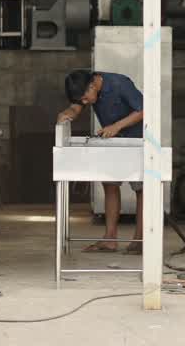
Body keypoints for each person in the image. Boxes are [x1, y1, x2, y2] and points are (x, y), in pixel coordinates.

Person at [56, 70, 144, 254]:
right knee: (110, 185)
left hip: (139, 140)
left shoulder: (120, 83)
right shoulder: (86, 88)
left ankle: (140, 240)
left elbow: (144, 110)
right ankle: (110, 239)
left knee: (141, 189)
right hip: (114, 141)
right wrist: (66, 115)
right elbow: (76, 108)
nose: (85, 103)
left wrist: (116, 126)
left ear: (92, 86)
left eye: (86, 98)